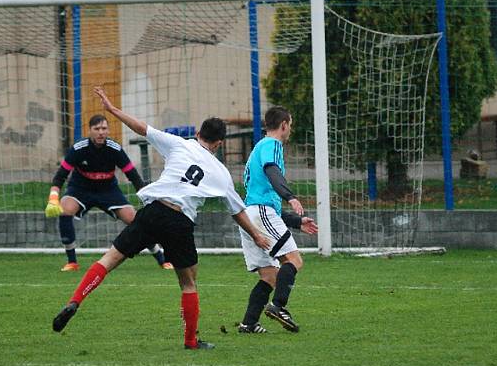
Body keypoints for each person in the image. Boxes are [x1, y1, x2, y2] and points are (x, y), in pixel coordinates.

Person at [52, 86, 271, 350]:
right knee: (188, 282)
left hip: (153, 209)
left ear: (198, 134)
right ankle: (191, 341)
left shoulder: (180, 143)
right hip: (180, 221)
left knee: (109, 259)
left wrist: (112, 110)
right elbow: (237, 212)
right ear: (219, 143)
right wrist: (257, 235)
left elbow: (142, 128)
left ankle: (76, 299)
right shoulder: (222, 174)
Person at [45, 113, 173, 271]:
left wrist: (148, 199)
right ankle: (72, 262)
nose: (100, 132)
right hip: (80, 189)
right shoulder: (78, 149)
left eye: (104, 128)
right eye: (96, 128)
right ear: (90, 130)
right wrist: (53, 198)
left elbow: (133, 176)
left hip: (108, 190)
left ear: (108, 131)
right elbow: (60, 177)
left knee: (135, 219)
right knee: (65, 210)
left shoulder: (115, 149)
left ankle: (162, 259)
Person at [237, 105, 318, 334]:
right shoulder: (272, 145)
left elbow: (262, 197)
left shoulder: (257, 148)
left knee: (269, 275)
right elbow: (273, 172)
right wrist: (290, 197)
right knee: (294, 260)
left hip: (250, 215)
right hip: (261, 213)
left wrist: (296, 221)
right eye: (289, 125)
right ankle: (278, 306)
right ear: (284, 125)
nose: (289, 129)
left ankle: (249, 323)